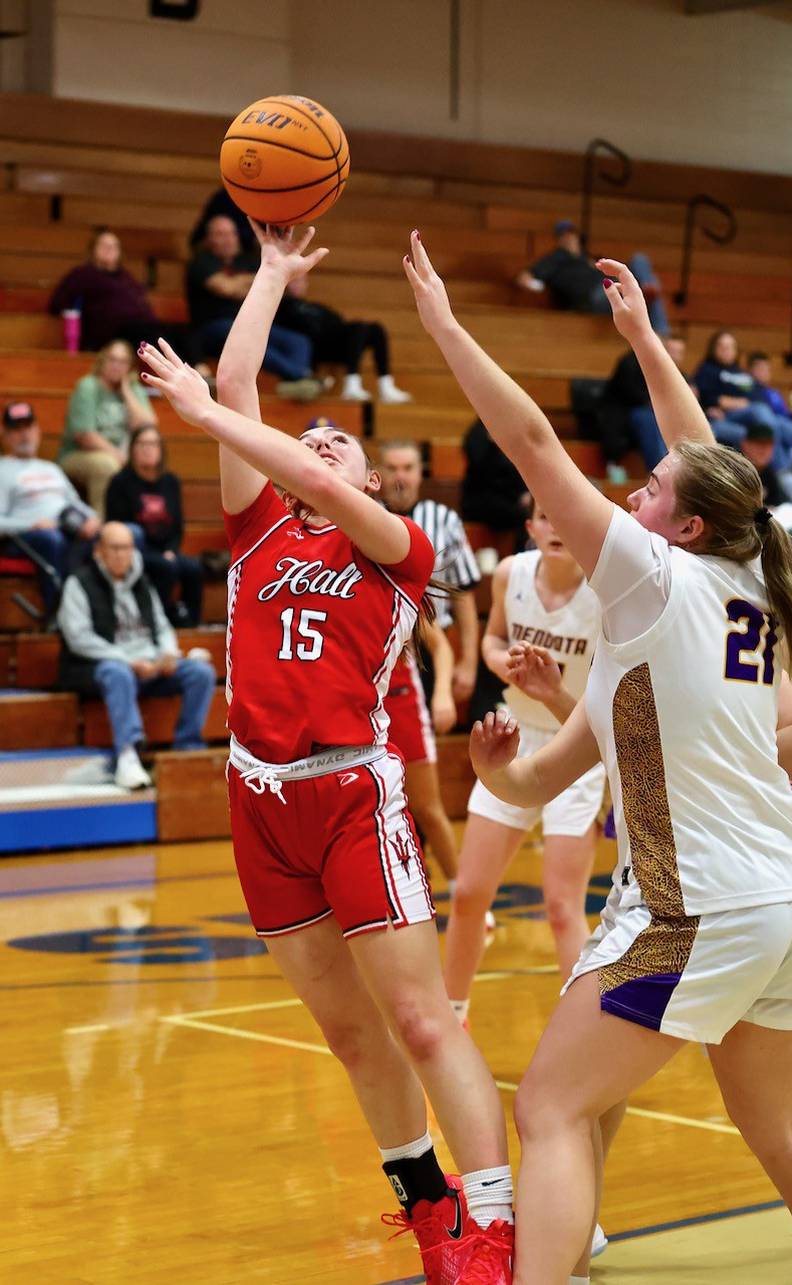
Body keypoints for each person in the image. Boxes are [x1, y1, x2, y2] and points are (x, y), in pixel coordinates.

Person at [405, 231, 792, 1284]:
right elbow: (705, 456)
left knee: (547, 1103)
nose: (629, 496)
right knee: (776, 1135)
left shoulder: (654, 580)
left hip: (700, 900)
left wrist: (443, 327)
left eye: (646, 490)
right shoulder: (747, 574)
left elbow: (533, 442)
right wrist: (640, 337)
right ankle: (564, 1237)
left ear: (683, 523)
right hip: (779, 901)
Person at [138, 224, 515, 1283]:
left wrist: (214, 415)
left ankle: (493, 1225)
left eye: (337, 441)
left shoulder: (398, 549)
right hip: (256, 796)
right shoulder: (259, 532)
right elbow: (238, 379)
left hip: (353, 792)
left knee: (418, 1018)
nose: (317, 445)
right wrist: (268, 274)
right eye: (302, 439)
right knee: (350, 1036)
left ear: (369, 474)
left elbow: (239, 413)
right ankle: (430, 1210)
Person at [445, 500, 605, 1016]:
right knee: (469, 893)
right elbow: (493, 639)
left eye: (563, 514)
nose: (557, 523)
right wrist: (502, 662)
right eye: (545, 515)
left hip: (576, 742)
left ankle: (578, 1029)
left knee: (562, 906)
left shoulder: (608, 590)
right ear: (532, 525)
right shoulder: (511, 574)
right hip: (513, 738)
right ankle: (453, 1014)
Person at [57, 522, 216, 790]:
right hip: (100, 667)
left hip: (149, 665)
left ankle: (187, 747)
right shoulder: (79, 583)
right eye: (115, 548)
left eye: (127, 548)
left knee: (200, 672)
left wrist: (166, 654)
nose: (121, 554)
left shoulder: (142, 581)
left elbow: (162, 625)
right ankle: (128, 754)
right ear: (99, 551)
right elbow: (79, 638)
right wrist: (128, 661)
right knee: (116, 672)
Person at [379, 439, 482, 706]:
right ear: (377, 473)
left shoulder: (444, 519)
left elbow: (463, 594)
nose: (399, 476)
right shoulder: (365, 514)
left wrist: (469, 663)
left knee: (424, 735)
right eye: (392, 468)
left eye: (407, 467)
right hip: (376, 643)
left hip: (431, 648)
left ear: (420, 472)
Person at [185, 216, 324, 401]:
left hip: (250, 323)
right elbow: (227, 288)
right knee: (245, 337)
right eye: (220, 234)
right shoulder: (201, 263)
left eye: (231, 233)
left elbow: (279, 287)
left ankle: (293, 383)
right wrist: (259, 278)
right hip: (212, 329)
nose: (227, 239)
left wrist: (246, 281)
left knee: (298, 341)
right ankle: (301, 376)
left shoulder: (247, 260)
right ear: (209, 239)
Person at [384, 616, 463, 899]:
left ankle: (460, 891)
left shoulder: (401, 587)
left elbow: (441, 647)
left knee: (427, 808)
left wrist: (442, 694)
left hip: (401, 703)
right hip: (353, 707)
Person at [0, 400, 99, 614]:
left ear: (37, 431)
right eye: (16, 429)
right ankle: (61, 614)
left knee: (107, 537)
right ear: (5, 435)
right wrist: (31, 525)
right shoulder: (3, 470)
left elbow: (76, 504)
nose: (24, 434)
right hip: (28, 539)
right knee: (52, 539)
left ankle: (99, 613)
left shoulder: (51, 468)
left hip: (67, 529)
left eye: (28, 427)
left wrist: (92, 518)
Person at [105, 425, 203, 627]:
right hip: (135, 550)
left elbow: (177, 526)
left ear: (161, 449)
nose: (147, 449)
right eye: (141, 444)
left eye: (152, 444)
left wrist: (170, 550)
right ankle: (159, 619)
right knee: (165, 567)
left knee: (194, 567)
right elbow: (117, 526)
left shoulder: (170, 482)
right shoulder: (120, 482)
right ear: (132, 449)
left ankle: (191, 623)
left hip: (165, 550)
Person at [695, 331, 792, 501]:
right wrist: (729, 403)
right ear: (713, 348)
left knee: (791, 428)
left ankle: (786, 467)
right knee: (757, 423)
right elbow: (703, 397)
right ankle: (781, 470)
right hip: (721, 419)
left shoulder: (741, 373)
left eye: (730, 347)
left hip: (748, 417)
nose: (726, 350)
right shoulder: (707, 370)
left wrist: (738, 403)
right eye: (722, 346)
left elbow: (758, 396)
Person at [515, 220, 669, 335]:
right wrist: (538, 287)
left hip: (607, 288)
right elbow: (524, 277)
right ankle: (657, 323)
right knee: (628, 287)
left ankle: (645, 294)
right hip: (589, 300)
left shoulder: (587, 258)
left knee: (639, 260)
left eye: (571, 233)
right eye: (564, 235)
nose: (568, 237)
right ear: (559, 239)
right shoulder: (554, 258)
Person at [276, 274, 411, 403]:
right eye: (295, 281)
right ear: (287, 284)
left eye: (303, 281)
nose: (299, 285)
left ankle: (385, 385)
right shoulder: (283, 306)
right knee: (358, 328)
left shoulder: (315, 307)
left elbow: (337, 320)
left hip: (335, 343)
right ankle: (352, 382)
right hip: (315, 348)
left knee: (376, 329)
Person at [58, 340, 156, 515]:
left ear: (129, 367)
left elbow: (148, 426)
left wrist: (126, 391)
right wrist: (119, 457)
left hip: (121, 456)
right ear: (102, 361)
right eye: (112, 360)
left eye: (123, 362)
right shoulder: (88, 386)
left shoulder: (133, 389)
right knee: (106, 465)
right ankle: (103, 529)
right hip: (78, 455)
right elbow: (85, 436)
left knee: (151, 460)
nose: (117, 366)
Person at [48, 228, 159, 353]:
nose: (109, 249)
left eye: (114, 246)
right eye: (104, 245)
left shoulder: (127, 277)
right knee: (153, 335)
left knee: (173, 333)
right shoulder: (82, 274)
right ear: (93, 249)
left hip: (139, 329)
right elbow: (57, 304)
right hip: (107, 334)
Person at [598, 336, 689, 483]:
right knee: (650, 421)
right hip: (628, 412)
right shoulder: (629, 362)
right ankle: (658, 469)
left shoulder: (672, 370)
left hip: (656, 411)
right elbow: (630, 393)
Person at [461, 418, 530, 549]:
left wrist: (523, 492)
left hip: (505, 499)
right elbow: (481, 469)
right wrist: (491, 444)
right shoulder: (477, 434)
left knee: (527, 512)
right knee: (523, 517)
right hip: (480, 500)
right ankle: (520, 555)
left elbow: (515, 469)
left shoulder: (507, 431)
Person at [739, 422, 792, 509]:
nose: (764, 450)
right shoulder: (734, 470)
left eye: (769, 445)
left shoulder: (769, 473)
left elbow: (781, 505)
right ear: (745, 444)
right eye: (759, 444)